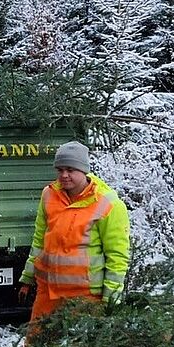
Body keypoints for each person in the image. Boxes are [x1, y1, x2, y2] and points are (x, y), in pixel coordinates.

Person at [18, 141, 130, 334]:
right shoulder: (49, 195)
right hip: (48, 293)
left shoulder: (108, 204)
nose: (64, 175)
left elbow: (117, 256)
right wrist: (27, 278)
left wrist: (110, 298)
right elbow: (39, 241)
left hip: (85, 298)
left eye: (70, 170)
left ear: (84, 170)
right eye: (60, 169)